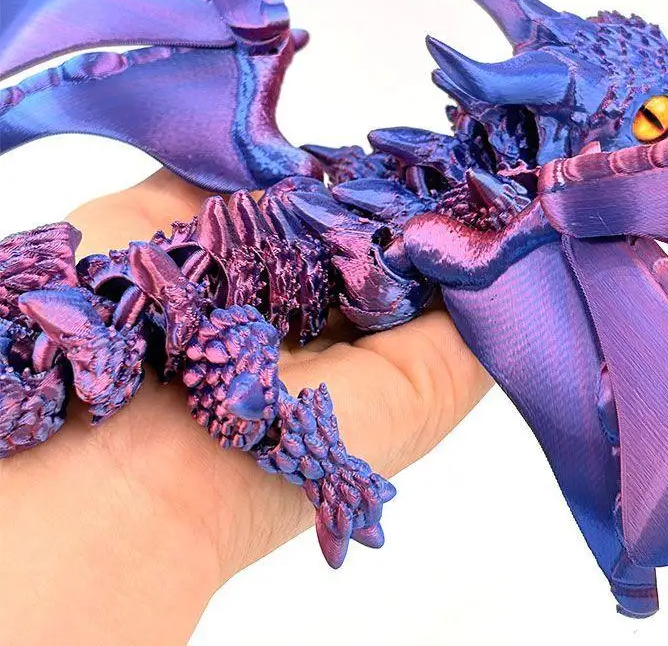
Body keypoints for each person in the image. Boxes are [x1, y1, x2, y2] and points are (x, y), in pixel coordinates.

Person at [0, 170, 491, 645]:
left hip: (340, 252)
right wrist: (331, 471)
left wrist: (330, 472)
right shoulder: (118, 335)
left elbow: (237, 384)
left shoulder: (146, 324)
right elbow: (241, 390)